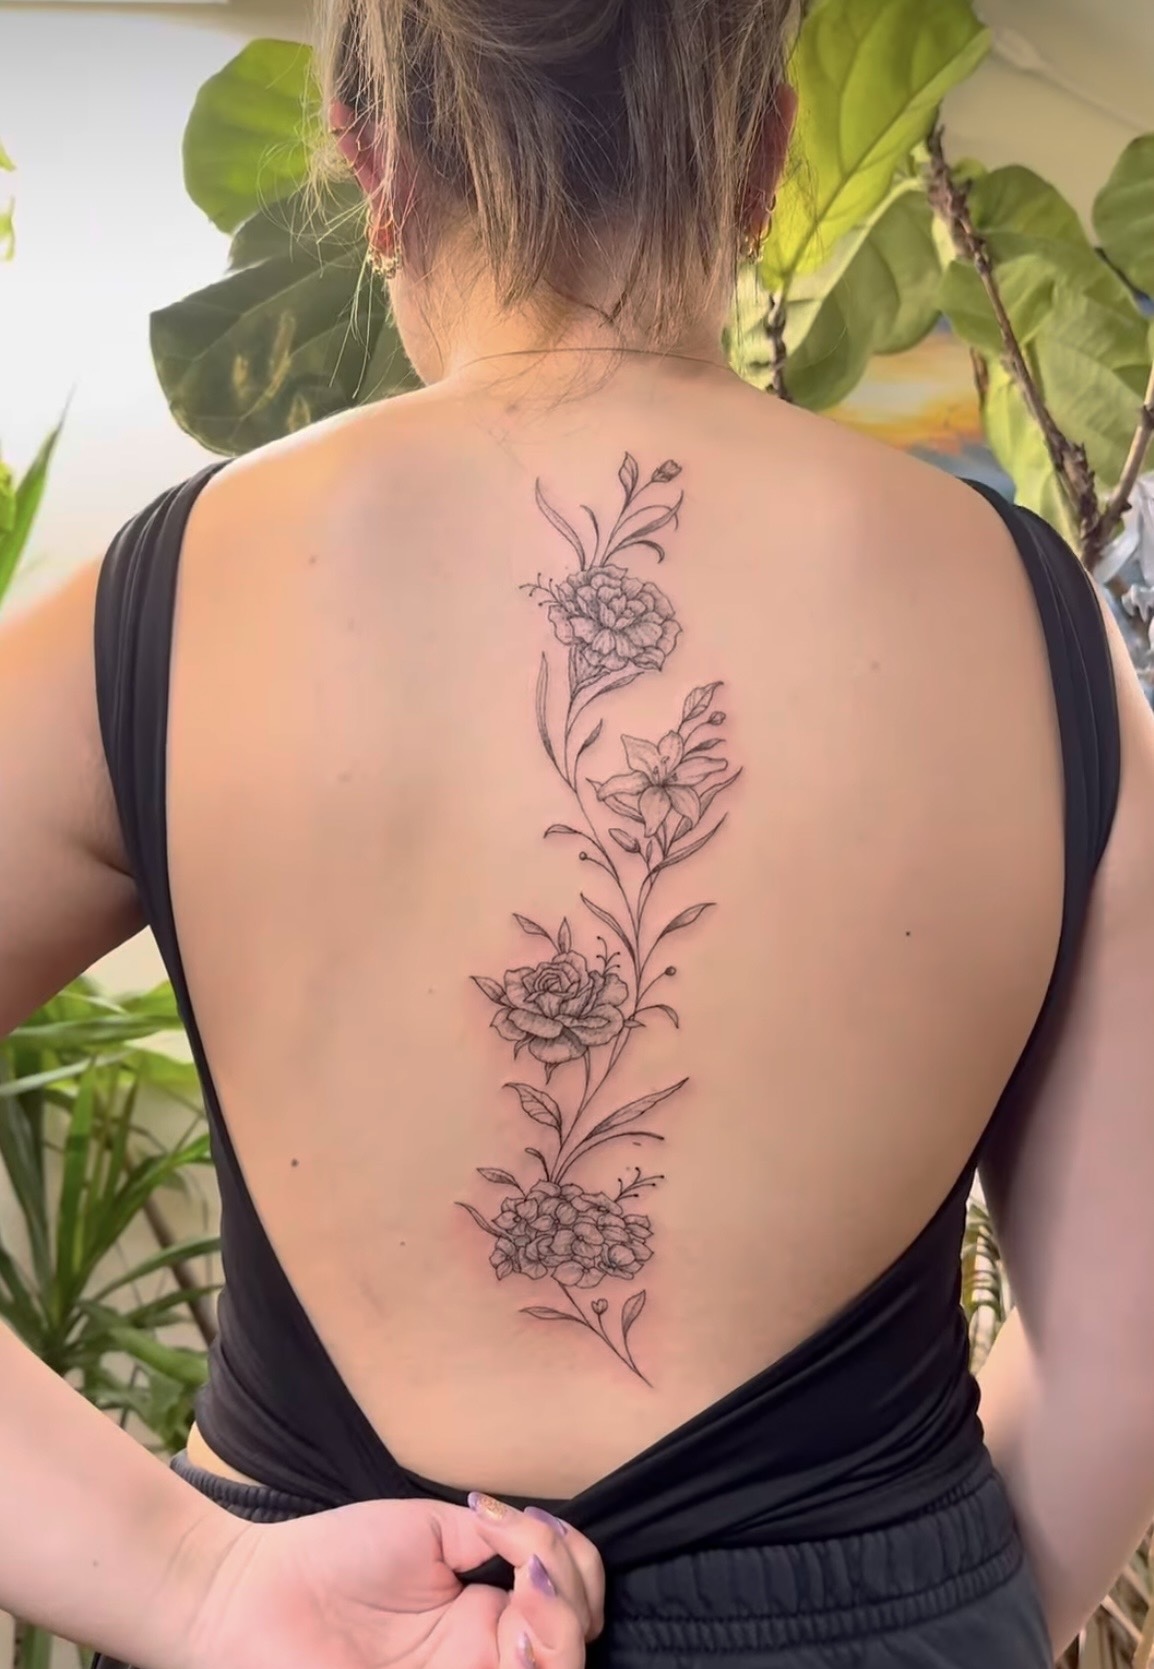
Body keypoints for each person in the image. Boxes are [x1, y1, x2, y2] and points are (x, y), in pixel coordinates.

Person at [2, 0, 1154, 1664]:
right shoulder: (1036, 630)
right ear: (763, 157)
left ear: (375, 167)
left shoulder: (171, 599)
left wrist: (191, 1582)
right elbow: (1122, 1356)